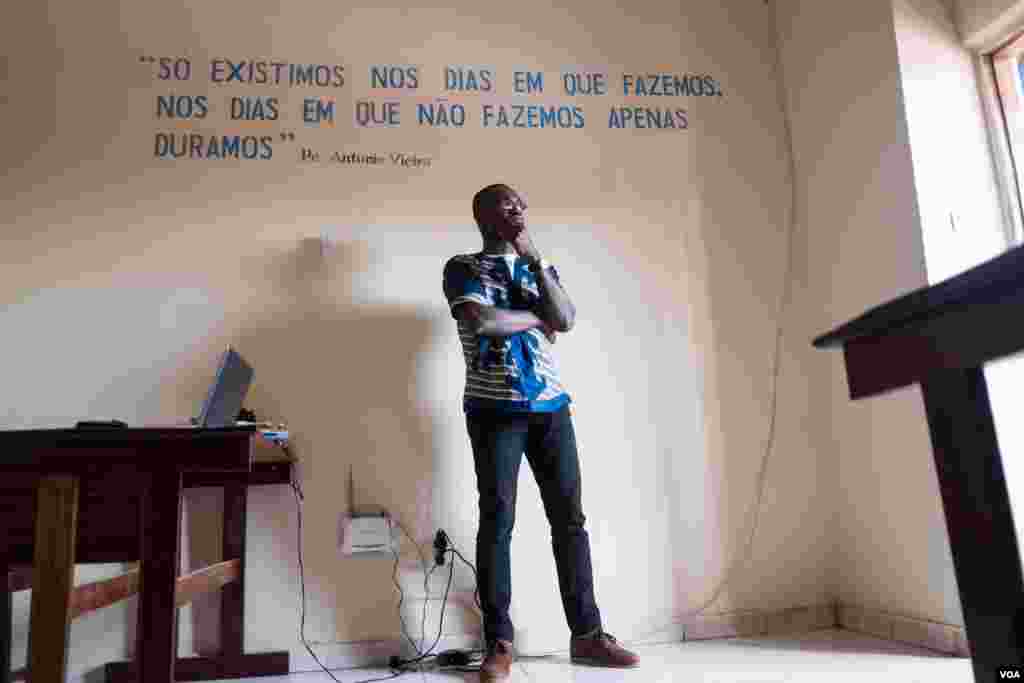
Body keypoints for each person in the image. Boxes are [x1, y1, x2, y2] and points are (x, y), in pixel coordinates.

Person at [442, 184, 640, 681]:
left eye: (522, 205)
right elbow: (483, 321)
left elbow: (567, 319)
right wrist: (536, 318)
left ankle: (588, 636)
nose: (519, 211)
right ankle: (499, 643)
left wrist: (533, 258)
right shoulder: (463, 267)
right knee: (499, 521)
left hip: (551, 408)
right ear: (484, 214)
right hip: (495, 410)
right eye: (508, 204)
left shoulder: (537, 267)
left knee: (570, 520)